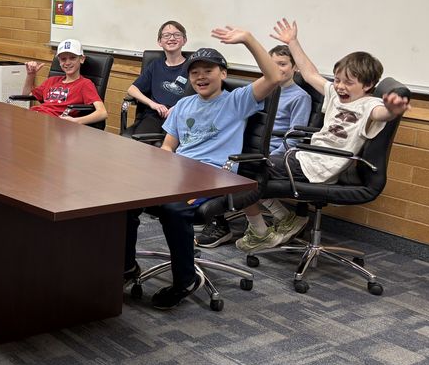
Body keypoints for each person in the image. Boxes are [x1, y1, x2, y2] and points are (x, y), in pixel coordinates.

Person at [123, 27, 282, 310]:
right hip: (180, 172)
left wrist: (247, 39)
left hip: (214, 176)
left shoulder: (236, 101)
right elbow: (169, 146)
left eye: (208, 70)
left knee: (174, 209)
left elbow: (274, 77)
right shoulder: (183, 104)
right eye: (195, 72)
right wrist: (157, 170)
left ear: (223, 73)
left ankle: (185, 280)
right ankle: (126, 266)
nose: (200, 76)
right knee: (125, 201)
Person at [231, 18, 410, 254]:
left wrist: (393, 109)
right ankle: (285, 218)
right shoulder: (335, 95)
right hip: (306, 158)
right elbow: (309, 73)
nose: (340, 86)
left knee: (243, 171)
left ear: (368, 85)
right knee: (245, 168)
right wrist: (292, 42)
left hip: (318, 166)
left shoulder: (370, 105)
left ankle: (261, 232)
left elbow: (382, 114)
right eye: (338, 80)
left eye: (348, 82)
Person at [195, 43, 312, 248]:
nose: (277, 69)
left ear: (295, 67)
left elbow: (294, 138)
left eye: (283, 64)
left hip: (276, 151)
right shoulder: (262, 90)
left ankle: (252, 228)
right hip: (251, 146)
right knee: (214, 159)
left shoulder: (300, 97)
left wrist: (271, 158)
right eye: (272, 64)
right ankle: (282, 217)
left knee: (236, 171)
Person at [21, 39, 109, 126]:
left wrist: (76, 121)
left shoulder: (85, 84)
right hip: (35, 116)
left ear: (82, 59)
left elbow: (102, 113)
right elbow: (25, 96)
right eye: (63, 59)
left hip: (53, 124)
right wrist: (31, 75)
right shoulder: (52, 80)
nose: (67, 63)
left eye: (72, 58)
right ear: (59, 61)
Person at [125, 20, 190, 136]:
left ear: (184, 40)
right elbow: (132, 89)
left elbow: (198, 96)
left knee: (170, 144)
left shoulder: (192, 67)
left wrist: (178, 108)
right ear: (160, 42)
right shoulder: (155, 65)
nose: (172, 38)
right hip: (154, 115)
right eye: (166, 35)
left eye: (177, 35)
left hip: (179, 117)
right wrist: (153, 104)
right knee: (140, 141)